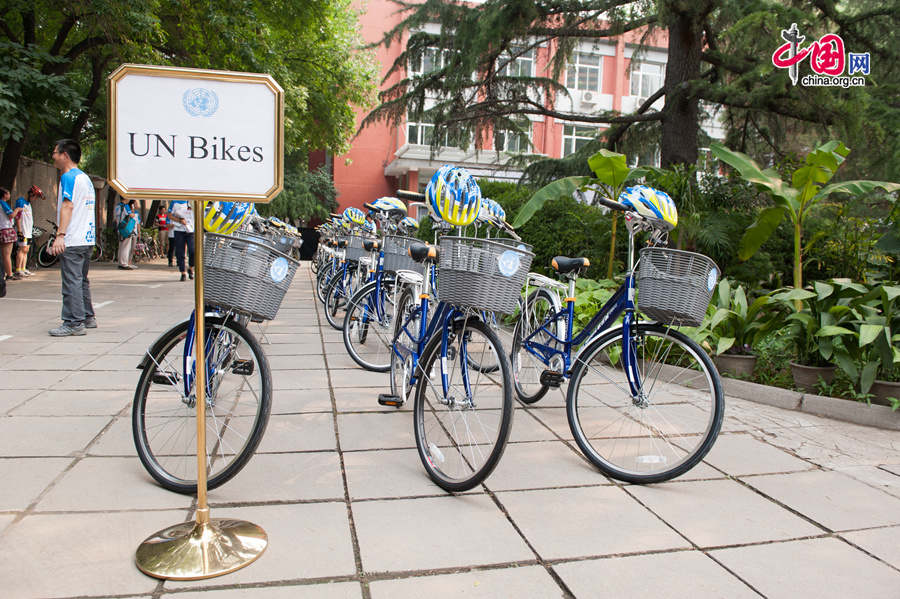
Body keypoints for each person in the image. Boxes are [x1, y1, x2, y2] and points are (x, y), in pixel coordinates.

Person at [48, 139, 96, 336]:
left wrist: (60, 235)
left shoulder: (68, 177)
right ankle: (87, 317)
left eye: (55, 152)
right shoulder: (85, 178)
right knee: (81, 280)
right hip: (87, 239)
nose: (53, 156)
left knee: (71, 281)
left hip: (73, 238)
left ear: (64, 155)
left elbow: (68, 206)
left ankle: (74, 323)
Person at [13, 186, 42, 278]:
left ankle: (23, 268)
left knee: (26, 250)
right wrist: (19, 231)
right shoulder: (21, 201)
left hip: (28, 231)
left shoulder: (28, 204)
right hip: (23, 230)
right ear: (31, 194)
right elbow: (18, 216)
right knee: (21, 250)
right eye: (35, 196)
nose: (35, 199)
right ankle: (18, 269)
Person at [170, 200, 194, 281]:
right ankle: (183, 272)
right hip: (179, 230)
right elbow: (169, 215)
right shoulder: (174, 202)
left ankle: (190, 268)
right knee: (180, 252)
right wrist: (179, 220)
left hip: (190, 230)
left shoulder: (192, 201)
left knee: (193, 251)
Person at [114, 197, 138, 269]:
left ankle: (120, 262)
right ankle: (124, 263)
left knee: (121, 246)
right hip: (126, 228)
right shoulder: (126, 206)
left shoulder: (117, 206)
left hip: (119, 227)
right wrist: (133, 212)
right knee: (126, 246)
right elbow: (131, 215)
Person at [0, 187, 18, 282]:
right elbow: (11, 215)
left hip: (1, 229)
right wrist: (17, 210)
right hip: (6, 230)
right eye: (8, 193)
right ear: (4, 195)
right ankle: (9, 274)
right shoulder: (3, 203)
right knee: (7, 254)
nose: (9, 195)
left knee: (4, 255)